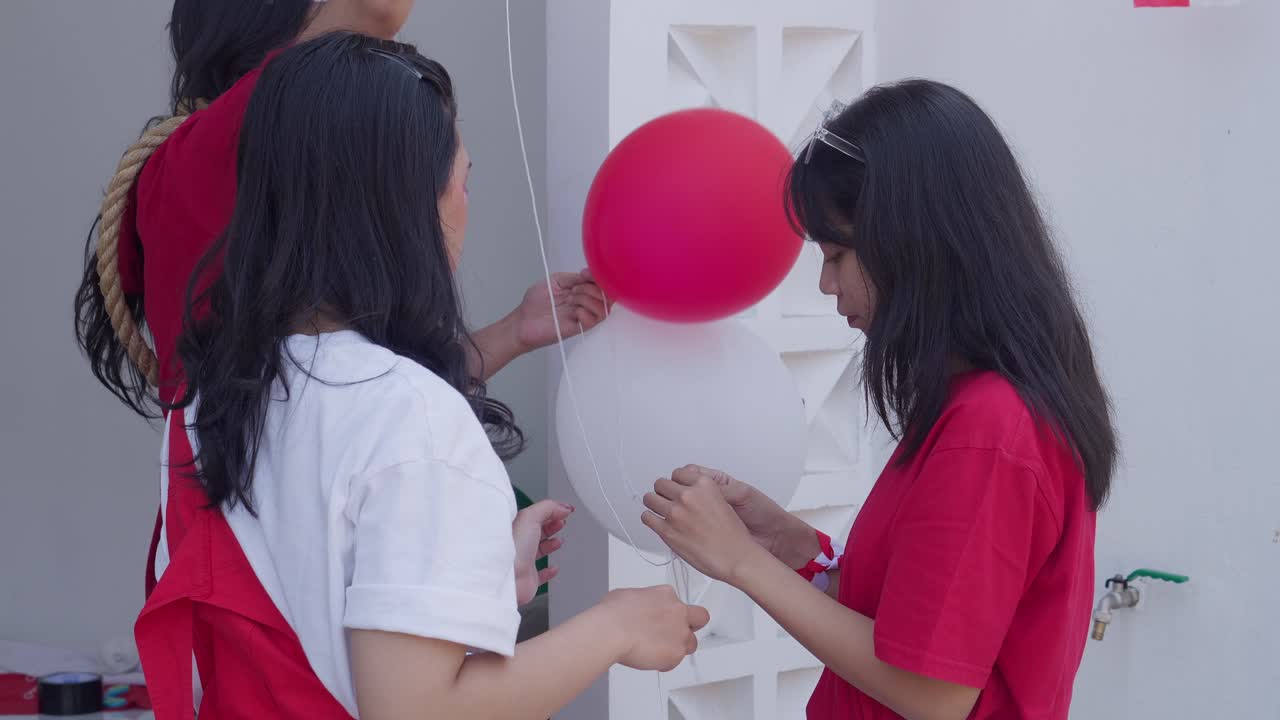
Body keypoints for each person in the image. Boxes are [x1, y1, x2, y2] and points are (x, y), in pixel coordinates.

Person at [136, 33, 709, 719]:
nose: (468, 202)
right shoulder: (411, 416)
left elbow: (303, 590)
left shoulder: (208, 396)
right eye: (463, 179)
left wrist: (480, 571)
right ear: (407, 206)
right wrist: (616, 626)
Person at [73, 0, 607, 599]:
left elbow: (330, 389)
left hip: (265, 554)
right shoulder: (276, 114)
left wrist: (511, 333)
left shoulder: (259, 121)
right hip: (282, 575)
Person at [642, 80, 1118, 720]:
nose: (825, 282)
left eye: (837, 254)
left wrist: (737, 563)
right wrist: (784, 546)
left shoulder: (991, 429)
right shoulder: (975, 406)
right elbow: (911, 624)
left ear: (917, 243)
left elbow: (933, 691)